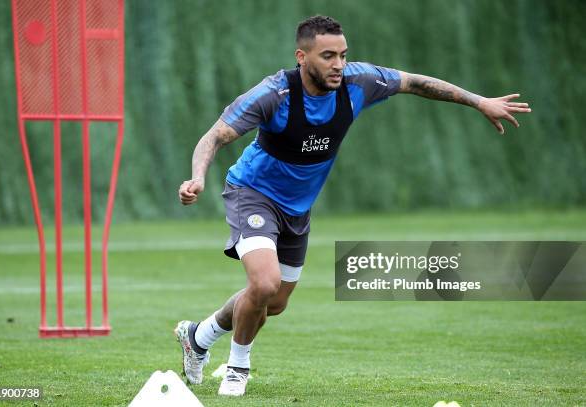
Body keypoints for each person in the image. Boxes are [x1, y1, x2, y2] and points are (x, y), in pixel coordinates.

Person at [175, 15, 531, 396]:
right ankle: (237, 370)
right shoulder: (273, 94)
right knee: (263, 283)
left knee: (272, 302)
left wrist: (480, 102)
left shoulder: (359, 82)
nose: (339, 65)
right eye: (328, 56)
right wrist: (197, 177)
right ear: (301, 56)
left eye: (343, 55)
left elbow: (416, 82)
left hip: (298, 208)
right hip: (252, 192)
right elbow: (215, 136)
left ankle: (198, 336)